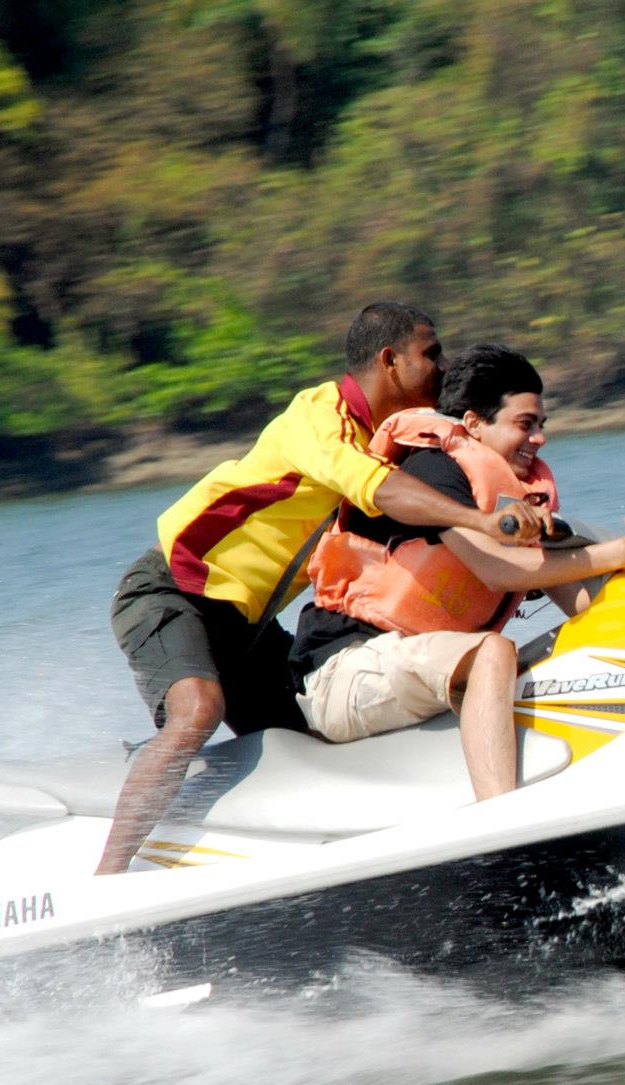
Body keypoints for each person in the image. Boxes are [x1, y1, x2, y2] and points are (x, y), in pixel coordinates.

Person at [98, 302, 557, 875]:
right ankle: (105, 881)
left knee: (304, 745)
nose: (443, 367)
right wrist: (480, 522)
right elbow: (379, 491)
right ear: (390, 361)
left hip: (247, 626)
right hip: (173, 589)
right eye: (431, 354)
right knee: (199, 711)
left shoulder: (391, 438)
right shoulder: (320, 419)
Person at [289, 343, 625, 800]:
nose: (539, 439)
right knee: (494, 653)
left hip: (415, 665)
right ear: (474, 424)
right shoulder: (432, 470)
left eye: (541, 426)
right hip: (345, 672)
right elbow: (497, 570)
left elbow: (579, 598)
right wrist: (620, 552)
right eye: (525, 424)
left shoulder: (515, 501)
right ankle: (503, 824)